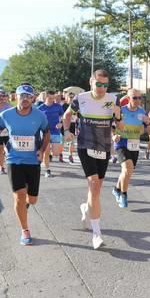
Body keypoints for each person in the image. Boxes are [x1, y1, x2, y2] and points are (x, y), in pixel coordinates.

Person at [62, 69, 122, 250]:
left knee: (95, 191)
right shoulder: (81, 99)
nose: (102, 88)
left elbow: (120, 125)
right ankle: (97, 234)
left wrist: (118, 120)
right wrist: (67, 131)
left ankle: (86, 209)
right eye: (99, 84)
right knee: (94, 184)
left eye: (105, 85)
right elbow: (67, 115)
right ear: (91, 82)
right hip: (85, 145)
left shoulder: (113, 99)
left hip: (103, 148)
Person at [0, 84, 50, 245]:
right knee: (19, 196)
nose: (25, 99)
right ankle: (25, 230)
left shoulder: (40, 115)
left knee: (32, 199)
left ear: (33, 98)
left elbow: (47, 133)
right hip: (14, 160)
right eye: (22, 96)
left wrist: (42, 150)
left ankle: (25, 205)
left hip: (33, 161)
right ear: (16, 97)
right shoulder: (6, 115)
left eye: (29, 96)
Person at [111, 88, 148, 208]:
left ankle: (116, 188)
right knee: (127, 169)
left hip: (134, 144)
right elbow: (111, 125)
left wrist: (148, 126)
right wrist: (114, 135)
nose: (137, 100)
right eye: (134, 98)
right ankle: (123, 195)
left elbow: (144, 128)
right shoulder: (121, 111)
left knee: (127, 172)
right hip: (121, 143)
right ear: (128, 98)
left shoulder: (142, 112)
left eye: (139, 98)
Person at [38, 91, 65, 178]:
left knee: (56, 152)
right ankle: (47, 170)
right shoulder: (40, 108)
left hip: (56, 131)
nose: (52, 100)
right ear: (45, 97)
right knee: (46, 152)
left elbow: (63, 116)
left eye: (53, 98)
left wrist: (61, 123)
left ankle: (49, 156)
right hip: (45, 132)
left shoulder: (58, 106)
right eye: (50, 98)